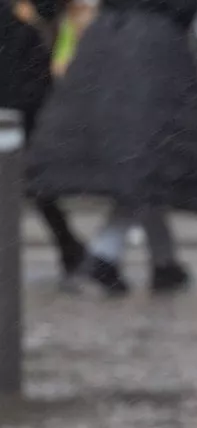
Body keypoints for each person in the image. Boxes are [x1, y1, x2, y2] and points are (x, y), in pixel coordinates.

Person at [23, 0, 197, 296]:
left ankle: (162, 261)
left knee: (142, 162)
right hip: (154, 52)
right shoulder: (156, 27)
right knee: (146, 161)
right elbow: (185, 8)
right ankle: (105, 257)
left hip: (106, 47)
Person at [0, 0, 87, 283]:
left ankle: (69, 247)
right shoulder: (22, 21)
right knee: (35, 183)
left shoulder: (23, 20)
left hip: (19, 97)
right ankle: (69, 247)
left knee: (34, 182)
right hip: (22, 99)